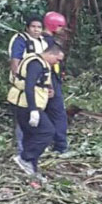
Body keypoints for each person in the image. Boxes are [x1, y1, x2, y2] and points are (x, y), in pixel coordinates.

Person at [7, 44, 65, 179]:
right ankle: (25, 158)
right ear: (51, 54)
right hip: (25, 105)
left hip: (29, 104)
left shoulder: (42, 63)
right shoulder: (35, 63)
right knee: (47, 132)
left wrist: (47, 89)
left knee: (31, 135)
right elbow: (29, 87)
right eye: (58, 59)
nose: (58, 63)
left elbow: (39, 83)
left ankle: (31, 171)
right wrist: (33, 110)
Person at [8, 16, 48, 156]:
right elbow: (15, 61)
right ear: (27, 27)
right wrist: (19, 79)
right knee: (22, 120)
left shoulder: (42, 42)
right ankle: (21, 151)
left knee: (34, 119)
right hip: (24, 86)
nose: (36, 30)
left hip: (38, 88)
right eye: (33, 27)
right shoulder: (21, 40)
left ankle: (30, 151)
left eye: (39, 27)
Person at [42, 11, 69, 154]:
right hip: (50, 80)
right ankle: (61, 146)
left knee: (46, 112)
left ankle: (47, 143)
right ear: (53, 25)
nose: (62, 30)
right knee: (58, 113)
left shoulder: (41, 40)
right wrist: (50, 84)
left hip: (50, 79)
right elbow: (48, 64)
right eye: (60, 26)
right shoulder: (49, 42)